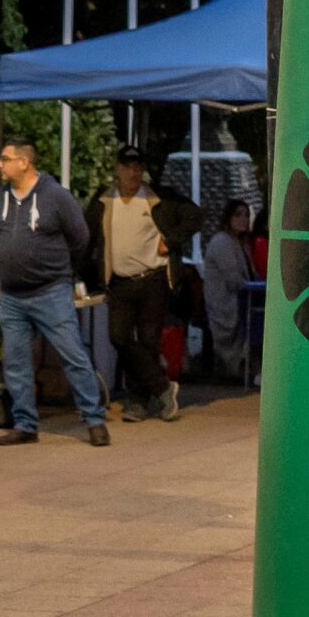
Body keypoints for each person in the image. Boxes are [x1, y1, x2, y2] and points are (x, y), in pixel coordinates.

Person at [0, 136, 105, 447]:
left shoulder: (55, 196)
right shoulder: (1, 196)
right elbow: (0, 238)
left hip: (50, 292)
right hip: (13, 296)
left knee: (73, 355)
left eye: (5, 158)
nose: (0, 165)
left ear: (24, 162)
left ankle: (94, 419)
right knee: (16, 362)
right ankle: (25, 423)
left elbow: (81, 238)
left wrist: (62, 272)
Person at [85, 146, 199, 421]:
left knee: (148, 341)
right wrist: (87, 276)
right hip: (120, 282)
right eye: (127, 167)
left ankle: (138, 401)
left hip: (153, 280)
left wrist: (170, 239)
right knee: (119, 337)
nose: (133, 172)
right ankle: (162, 387)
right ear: (117, 169)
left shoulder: (158, 198)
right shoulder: (103, 201)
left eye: (138, 167)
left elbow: (195, 216)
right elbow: (86, 238)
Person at [201, 200, 258, 379]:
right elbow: (234, 281)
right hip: (225, 304)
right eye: (238, 215)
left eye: (246, 215)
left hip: (242, 298)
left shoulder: (240, 244)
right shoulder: (221, 243)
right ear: (228, 218)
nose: (243, 219)